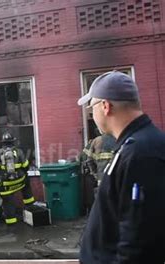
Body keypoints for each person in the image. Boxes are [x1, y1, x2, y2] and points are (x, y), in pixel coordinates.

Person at [77, 71, 165, 263]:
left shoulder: (141, 153)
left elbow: (139, 238)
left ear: (106, 106)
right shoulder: (134, 145)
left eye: (92, 108)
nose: (92, 114)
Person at [0, 132, 35, 225]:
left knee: (8, 202)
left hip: (7, 185)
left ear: (3, 143)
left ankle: (11, 222)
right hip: (20, 182)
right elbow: (26, 166)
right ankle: (30, 208)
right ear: (12, 142)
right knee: (26, 183)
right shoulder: (18, 151)